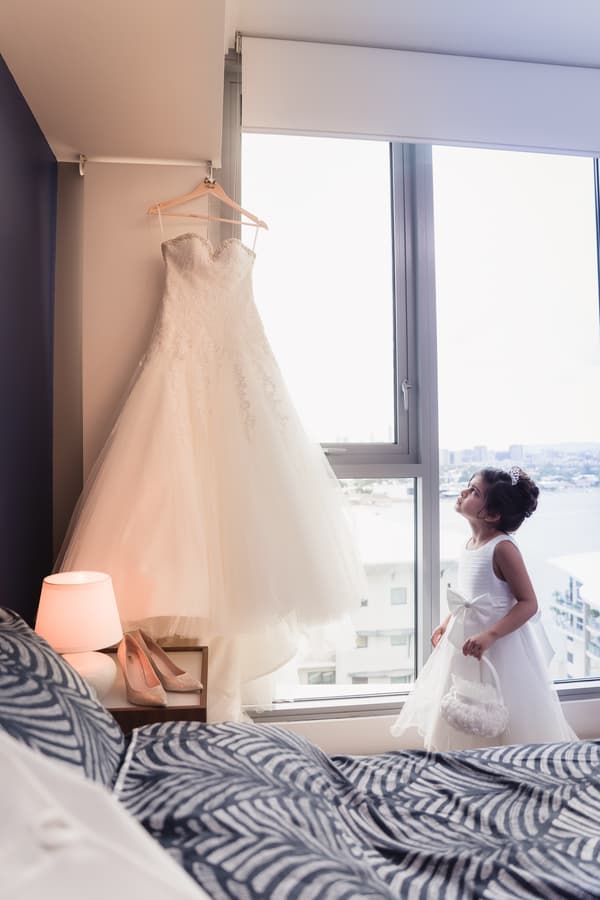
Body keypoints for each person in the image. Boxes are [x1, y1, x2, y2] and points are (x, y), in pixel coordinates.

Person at [391, 465, 577, 751]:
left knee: (503, 708)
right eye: (469, 486)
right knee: (462, 704)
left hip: (499, 646)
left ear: (492, 514)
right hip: (466, 642)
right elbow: (469, 596)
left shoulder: (503, 548)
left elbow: (528, 603)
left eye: (474, 491)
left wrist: (490, 636)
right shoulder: (470, 543)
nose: (464, 491)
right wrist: (447, 622)